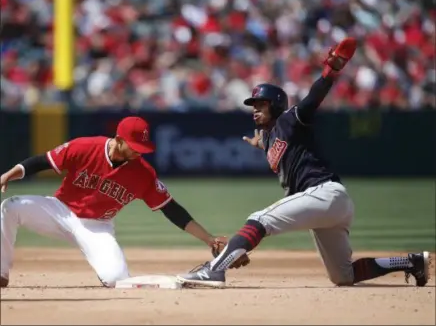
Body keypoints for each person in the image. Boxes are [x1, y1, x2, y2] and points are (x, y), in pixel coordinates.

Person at [176, 38, 430, 288]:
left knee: (259, 219)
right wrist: (261, 144)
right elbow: (278, 147)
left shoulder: (290, 119)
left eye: (260, 104)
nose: (254, 109)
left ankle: (215, 270)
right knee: (343, 275)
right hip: (330, 207)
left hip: (324, 194)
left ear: (275, 105)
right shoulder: (270, 137)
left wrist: (331, 71)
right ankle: (411, 262)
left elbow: (314, 97)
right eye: (253, 105)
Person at [0, 116, 225, 288]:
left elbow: (172, 209)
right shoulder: (85, 147)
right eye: (135, 147)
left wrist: (209, 239)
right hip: (59, 212)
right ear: (118, 141)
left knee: (116, 279)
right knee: (11, 206)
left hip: (97, 227)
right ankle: (1, 272)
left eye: (143, 148)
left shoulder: (144, 173)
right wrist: (8, 175)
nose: (140, 153)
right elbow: (42, 161)